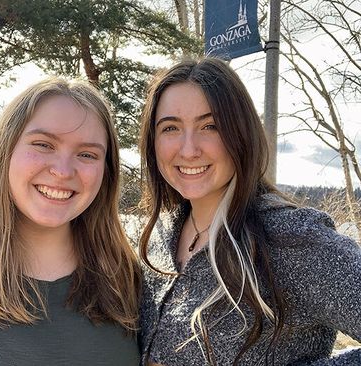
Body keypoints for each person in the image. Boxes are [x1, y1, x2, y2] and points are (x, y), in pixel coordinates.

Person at [138, 58, 361, 366]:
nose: (188, 149)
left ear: (240, 134)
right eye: (171, 127)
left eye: (210, 126)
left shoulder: (292, 239)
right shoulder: (156, 241)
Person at [0, 77, 141, 365]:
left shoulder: (128, 279)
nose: (62, 170)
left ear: (105, 173)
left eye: (86, 154)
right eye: (44, 144)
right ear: (6, 151)